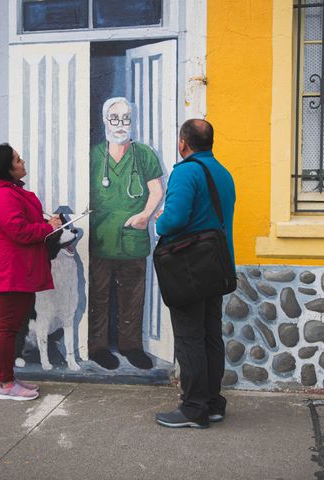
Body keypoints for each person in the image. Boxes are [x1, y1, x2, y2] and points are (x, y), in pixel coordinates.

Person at [154, 119, 236, 429]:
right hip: (216, 267)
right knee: (210, 335)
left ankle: (193, 408)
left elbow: (173, 220)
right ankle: (213, 403)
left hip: (189, 270)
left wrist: (159, 222)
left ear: (183, 143)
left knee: (189, 338)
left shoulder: (186, 171)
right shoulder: (223, 172)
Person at [0, 143, 62, 401]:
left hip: (21, 268)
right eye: (17, 159)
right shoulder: (3, 195)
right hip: (13, 269)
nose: (22, 161)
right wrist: (47, 228)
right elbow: (19, 231)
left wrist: (47, 224)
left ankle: (9, 378)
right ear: (7, 168)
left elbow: (25, 224)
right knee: (7, 327)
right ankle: (4, 384)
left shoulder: (11, 191)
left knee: (13, 325)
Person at [88, 97, 164, 370]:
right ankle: (97, 347)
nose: (120, 124)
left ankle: (131, 346)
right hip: (100, 238)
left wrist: (145, 215)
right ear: (105, 120)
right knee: (98, 295)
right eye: (114, 118)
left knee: (132, 296)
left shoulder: (143, 154)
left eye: (126, 118)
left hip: (132, 238)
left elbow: (156, 190)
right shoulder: (94, 155)